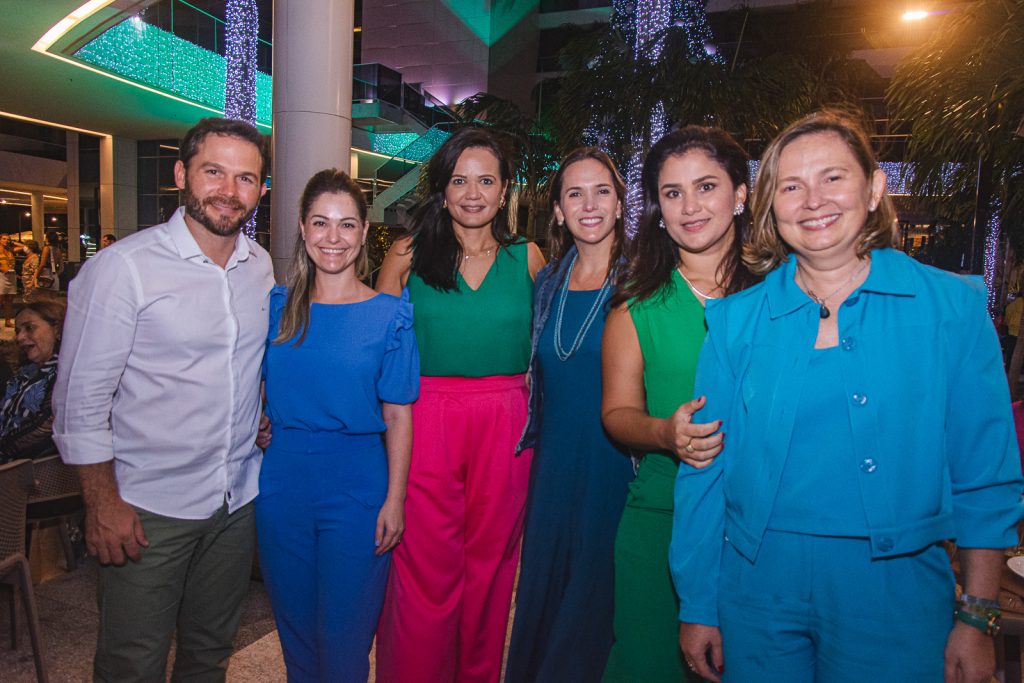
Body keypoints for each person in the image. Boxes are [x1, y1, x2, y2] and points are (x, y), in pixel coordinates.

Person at [672, 109, 1023, 683]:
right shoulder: (735, 321)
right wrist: (698, 603)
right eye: (791, 186)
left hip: (897, 590)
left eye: (832, 177)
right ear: (771, 205)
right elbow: (704, 472)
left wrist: (977, 614)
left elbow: (985, 473)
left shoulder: (950, 308)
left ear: (875, 188)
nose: (813, 200)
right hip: (756, 588)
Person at [52, 117, 275, 682]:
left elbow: (244, 365)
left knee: (209, 654)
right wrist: (101, 503)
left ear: (261, 190)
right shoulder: (123, 268)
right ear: (181, 174)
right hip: (147, 507)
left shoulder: (260, 266)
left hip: (236, 500)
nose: (229, 190)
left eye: (246, 178)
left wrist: (262, 408)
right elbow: (79, 401)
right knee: (133, 664)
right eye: (214, 172)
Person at [375, 126, 545, 683]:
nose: (473, 193)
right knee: (424, 564)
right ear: (442, 189)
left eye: (486, 181)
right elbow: (373, 349)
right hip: (426, 420)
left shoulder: (528, 258)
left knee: (492, 568)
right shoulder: (407, 253)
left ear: (505, 190)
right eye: (459, 180)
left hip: (507, 423)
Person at [600, 126, 758, 682]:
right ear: (658, 210)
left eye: (706, 186)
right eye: (672, 193)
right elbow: (616, 414)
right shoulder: (636, 305)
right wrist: (665, 434)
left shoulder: (786, 294)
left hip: (764, 528)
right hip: (660, 520)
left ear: (740, 194)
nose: (690, 206)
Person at [256, 169, 419, 682]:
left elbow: (398, 413)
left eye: (347, 224)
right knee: (296, 637)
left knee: (345, 640)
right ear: (303, 229)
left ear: (364, 232)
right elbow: (254, 383)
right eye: (321, 223)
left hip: (357, 487)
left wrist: (395, 499)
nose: (334, 237)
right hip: (282, 484)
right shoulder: (277, 307)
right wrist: (257, 417)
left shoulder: (390, 315)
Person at [506, 148, 634, 682]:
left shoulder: (644, 280)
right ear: (558, 210)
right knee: (545, 591)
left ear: (621, 204)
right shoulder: (548, 282)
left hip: (615, 467)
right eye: (574, 194)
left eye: (602, 191)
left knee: (595, 598)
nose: (589, 205)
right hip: (552, 465)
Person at [0, 300, 64, 463]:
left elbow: (46, 426)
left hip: (29, 468)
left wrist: (3, 450)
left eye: (29, 328)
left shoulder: (65, 373)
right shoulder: (26, 372)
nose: (20, 337)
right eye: (18, 331)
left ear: (57, 329)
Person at [0, 236, 17, 326]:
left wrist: (13, 242)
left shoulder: (10, 250)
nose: (6, 240)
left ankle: (8, 321)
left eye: (8, 239)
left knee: (10, 299)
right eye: (4, 239)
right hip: (2, 275)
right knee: (1, 298)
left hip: (11, 275)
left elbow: (24, 247)